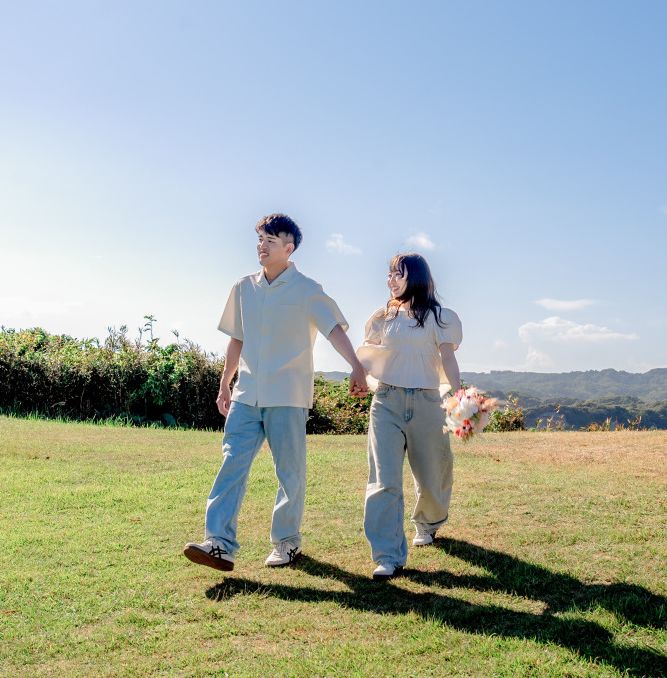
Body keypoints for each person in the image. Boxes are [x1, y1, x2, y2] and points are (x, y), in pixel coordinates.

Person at [184, 213, 368, 572]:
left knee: (289, 472)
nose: (262, 246)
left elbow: (333, 330)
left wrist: (356, 365)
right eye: (260, 239)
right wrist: (225, 382)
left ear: (289, 247)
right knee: (231, 464)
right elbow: (238, 338)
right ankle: (218, 544)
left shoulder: (308, 289)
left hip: (288, 395)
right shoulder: (243, 287)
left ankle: (287, 542)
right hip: (247, 393)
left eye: (271, 240)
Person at [356, 253, 462, 580]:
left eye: (396, 274)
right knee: (383, 480)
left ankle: (428, 523)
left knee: (433, 475)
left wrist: (458, 397)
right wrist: (358, 376)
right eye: (389, 274)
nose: (390, 280)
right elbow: (369, 353)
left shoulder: (441, 317)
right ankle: (387, 554)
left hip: (428, 401)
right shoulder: (382, 316)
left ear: (413, 276)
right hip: (386, 400)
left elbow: (447, 358)